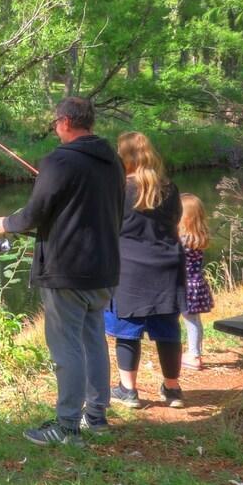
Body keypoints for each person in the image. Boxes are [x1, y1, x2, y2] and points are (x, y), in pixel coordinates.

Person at [0, 97, 124, 446]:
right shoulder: (114, 161)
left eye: (55, 122)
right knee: (93, 342)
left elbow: (33, 214)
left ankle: (66, 426)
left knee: (67, 349)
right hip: (104, 268)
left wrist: (6, 223)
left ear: (64, 122)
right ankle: (97, 416)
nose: (55, 126)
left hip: (67, 271)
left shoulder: (59, 160)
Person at [107, 132, 187, 408]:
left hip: (130, 269)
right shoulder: (169, 188)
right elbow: (176, 219)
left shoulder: (118, 189)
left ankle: (128, 391)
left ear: (124, 156)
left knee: (127, 330)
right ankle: (173, 390)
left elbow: (108, 225)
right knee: (168, 328)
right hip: (168, 265)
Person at [178, 192, 214, 370]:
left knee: (190, 320)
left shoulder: (183, 240)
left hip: (186, 286)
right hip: (196, 283)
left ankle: (193, 355)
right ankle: (196, 352)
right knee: (195, 320)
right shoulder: (199, 236)